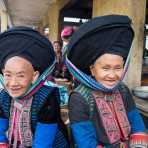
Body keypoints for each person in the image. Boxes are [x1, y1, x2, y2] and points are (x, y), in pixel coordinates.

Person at [66, 15, 148, 148]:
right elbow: (86, 143)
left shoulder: (122, 90)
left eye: (118, 68)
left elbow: (137, 124)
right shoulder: (79, 98)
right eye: (105, 68)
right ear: (92, 69)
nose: (112, 75)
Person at [0, 26, 69, 148]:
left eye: (20, 75)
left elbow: (43, 142)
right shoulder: (4, 96)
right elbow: (1, 124)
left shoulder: (47, 97)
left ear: (34, 76)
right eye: (8, 75)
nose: (13, 82)